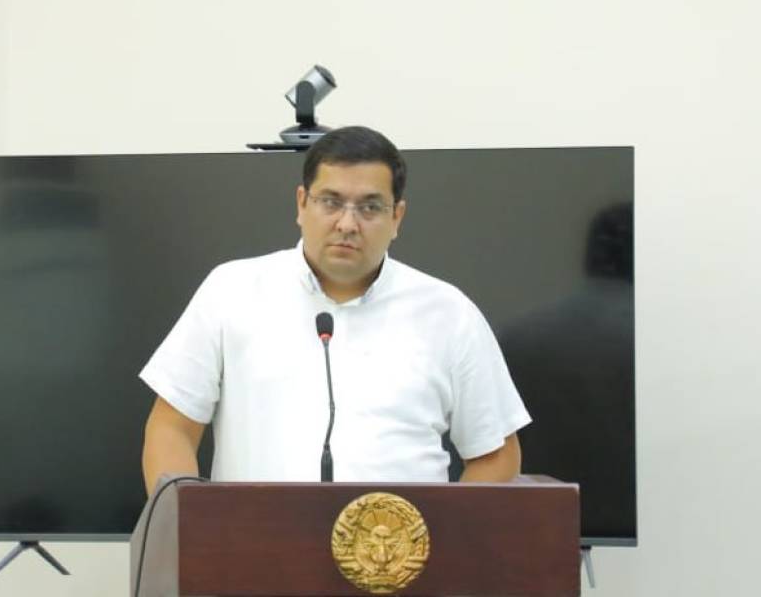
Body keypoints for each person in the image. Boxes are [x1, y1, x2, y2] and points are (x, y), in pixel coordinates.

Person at [139, 126, 530, 494]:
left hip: (400, 546)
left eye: (370, 207)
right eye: (331, 202)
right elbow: (172, 429)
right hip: (253, 541)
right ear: (301, 203)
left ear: (397, 217)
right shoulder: (231, 290)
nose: (347, 223)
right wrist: (187, 526)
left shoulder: (449, 313)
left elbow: (496, 454)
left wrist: (442, 534)